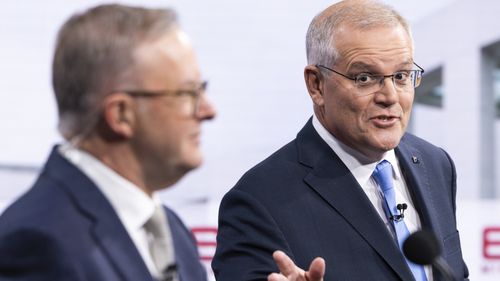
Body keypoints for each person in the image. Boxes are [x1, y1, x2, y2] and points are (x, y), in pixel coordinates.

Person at [212, 0, 468, 280]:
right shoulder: (259, 202)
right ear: (316, 84)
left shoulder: (434, 164)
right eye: (365, 77)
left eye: (401, 75)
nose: (390, 96)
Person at [0, 3, 216, 281]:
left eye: (202, 90)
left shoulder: (173, 231)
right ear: (121, 115)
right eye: (188, 93)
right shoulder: (38, 241)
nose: (208, 110)